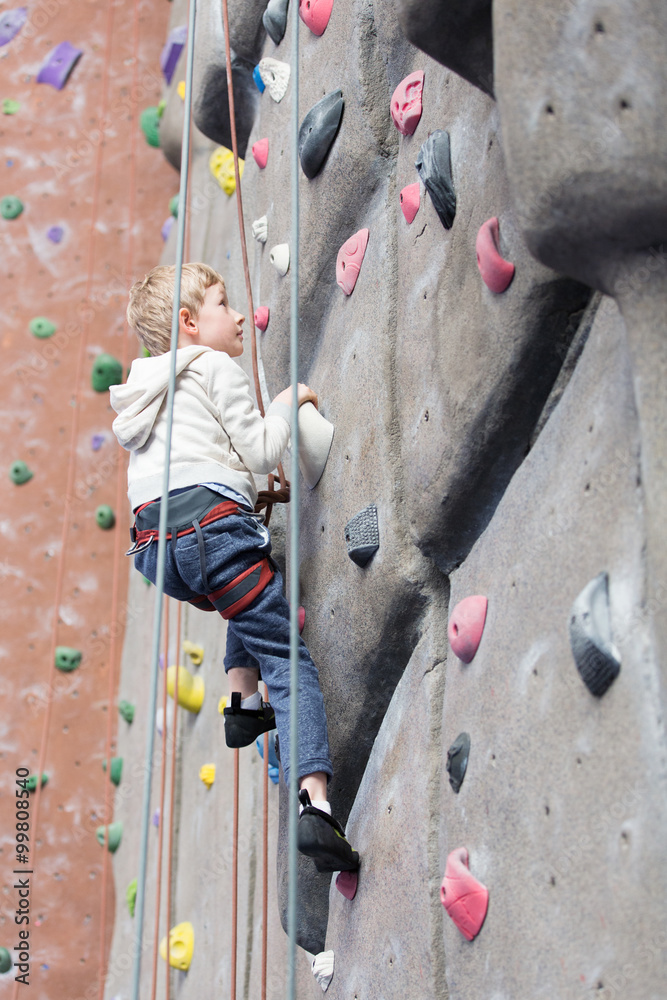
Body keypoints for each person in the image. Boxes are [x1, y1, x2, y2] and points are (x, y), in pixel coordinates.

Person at [109, 262, 358, 874]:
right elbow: (261, 448)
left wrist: (242, 496)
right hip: (210, 531)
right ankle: (316, 806)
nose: (241, 315)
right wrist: (285, 400)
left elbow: (192, 468)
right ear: (190, 323)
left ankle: (242, 702)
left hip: (160, 551)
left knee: (240, 585)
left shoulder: (147, 391)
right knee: (290, 660)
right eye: (225, 304)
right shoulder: (214, 367)